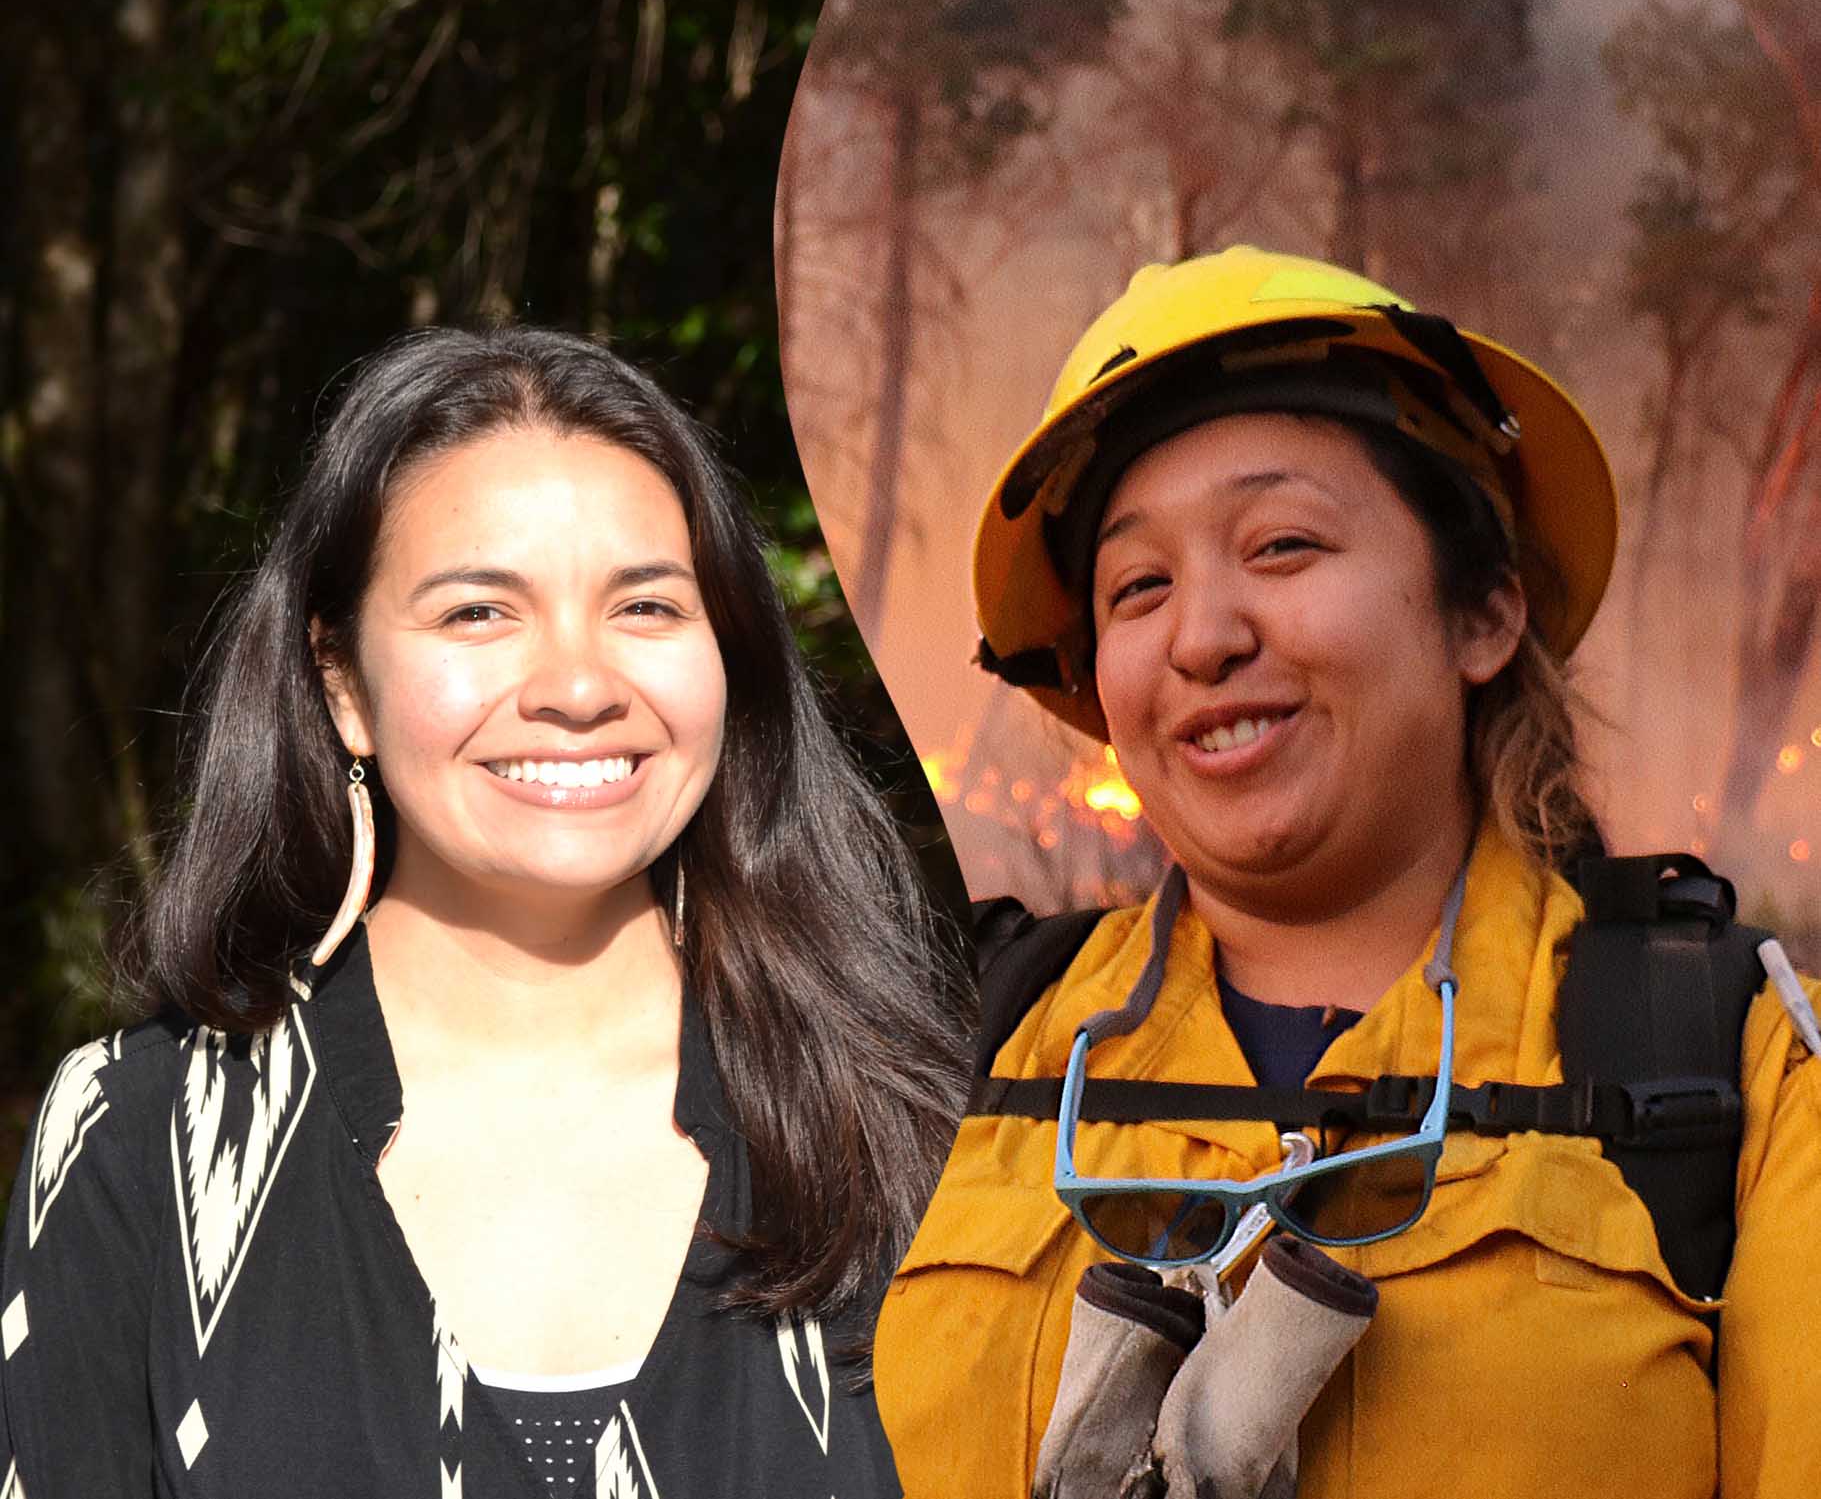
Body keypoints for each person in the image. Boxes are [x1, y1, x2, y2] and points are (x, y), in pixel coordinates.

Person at [871, 246, 1821, 1496]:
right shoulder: (952, 1054)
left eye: (1282, 545)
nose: (1205, 636)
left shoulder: (1732, 1072)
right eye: (1140, 584)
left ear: (1483, 610)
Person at [0, 326, 967, 1497]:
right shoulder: (141, 1139)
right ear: (340, 683)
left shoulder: (912, 1126)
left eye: (648, 606)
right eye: (478, 613)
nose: (577, 684)